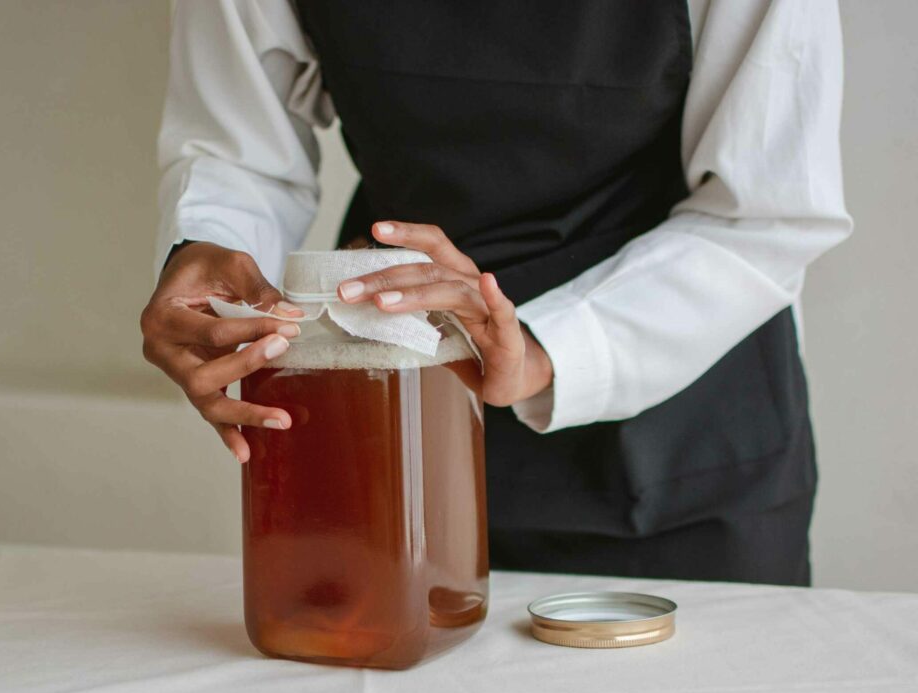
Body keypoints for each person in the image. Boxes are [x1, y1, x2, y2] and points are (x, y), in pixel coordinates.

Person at [140, 0, 851, 586]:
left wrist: (542, 350)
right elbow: (240, 150)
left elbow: (765, 210)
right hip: (395, 399)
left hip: (685, 437)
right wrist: (210, 252)